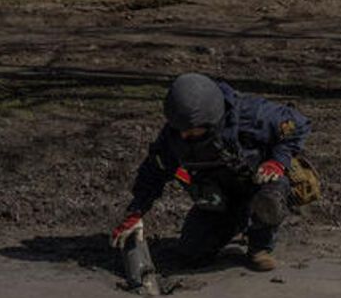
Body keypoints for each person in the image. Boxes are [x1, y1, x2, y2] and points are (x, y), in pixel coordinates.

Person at [111, 73, 312, 272]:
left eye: (191, 130)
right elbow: (153, 171)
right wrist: (136, 212)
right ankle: (236, 223)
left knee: (270, 199)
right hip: (219, 197)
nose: (184, 134)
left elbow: (298, 125)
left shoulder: (251, 114)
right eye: (180, 129)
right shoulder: (174, 135)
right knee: (191, 253)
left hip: (260, 184)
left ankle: (259, 248)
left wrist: (277, 161)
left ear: (210, 120)